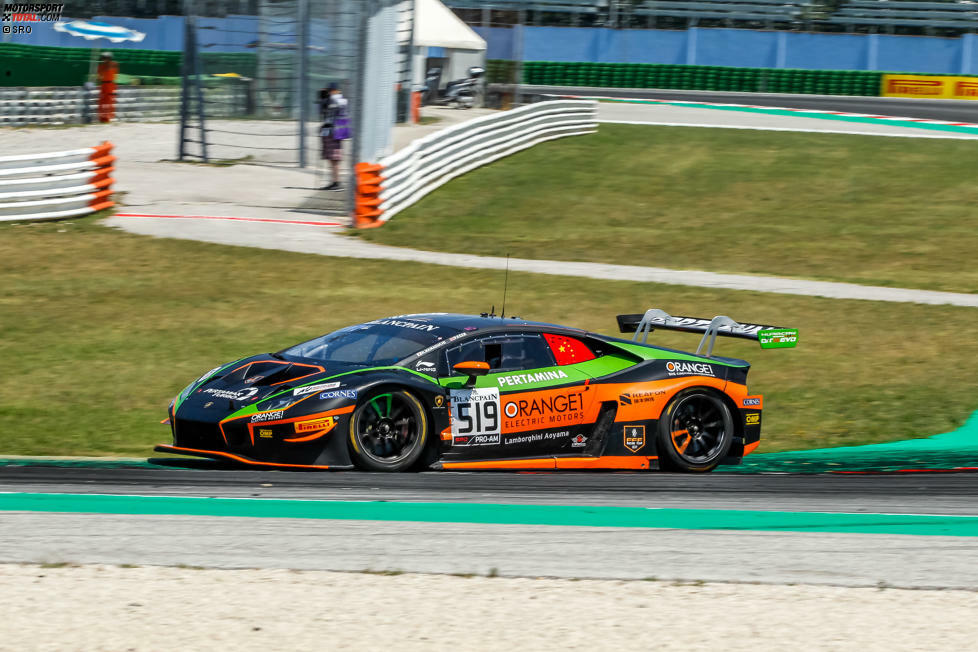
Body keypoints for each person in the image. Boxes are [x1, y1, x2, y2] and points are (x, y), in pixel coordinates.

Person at [318, 82, 350, 191]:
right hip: (337, 130)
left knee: (333, 158)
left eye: (329, 90)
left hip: (332, 131)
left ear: (333, 90)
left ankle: (337, 182)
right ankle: (335, 181)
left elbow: (323, 112)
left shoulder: (333, 100)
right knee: (332, 158)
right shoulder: (342, 100)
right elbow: (324, 112)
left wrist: (323, 99)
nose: (328, 92)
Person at [96, 52, 119, 123]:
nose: (104, 60)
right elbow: (100, 76)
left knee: (109, 101)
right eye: (103, 58)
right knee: (102, 102)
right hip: (104, 85)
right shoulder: (101, 66)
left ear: (109, 58)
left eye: (105, 58)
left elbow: (115, 74)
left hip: (110, 84)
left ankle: (108, 117)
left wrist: (107, 67)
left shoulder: (114, 64)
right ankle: (102, 117)